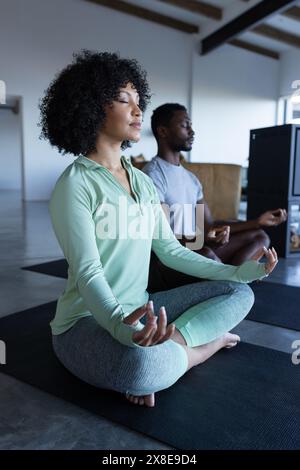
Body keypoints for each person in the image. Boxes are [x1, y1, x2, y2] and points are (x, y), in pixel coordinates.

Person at [40, 51, 277, 408]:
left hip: (143, 308)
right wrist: (123, 329)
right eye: (124, 100)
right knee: (139, 366)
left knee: (239, 292)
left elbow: (172, 251)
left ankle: (169, 352)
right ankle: (202, 349)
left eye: (139, 101)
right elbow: (89, 273)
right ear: (90, 108)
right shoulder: (75, 184)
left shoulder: (141, 182)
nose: (138, 111)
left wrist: (237, 271)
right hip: (84, 322)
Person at [143, 103, 286, 290]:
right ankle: (233, 284)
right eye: (185, 125)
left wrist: (258, 222)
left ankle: (229, 282)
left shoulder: (191, 179)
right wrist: (203, 239)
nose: (192, 131)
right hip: (168, 260)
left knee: (259, 237)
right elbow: (162, 238)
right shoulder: (152, 175)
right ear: (163, 131)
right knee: (206, 254)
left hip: (196, 247)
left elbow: (209, 226)